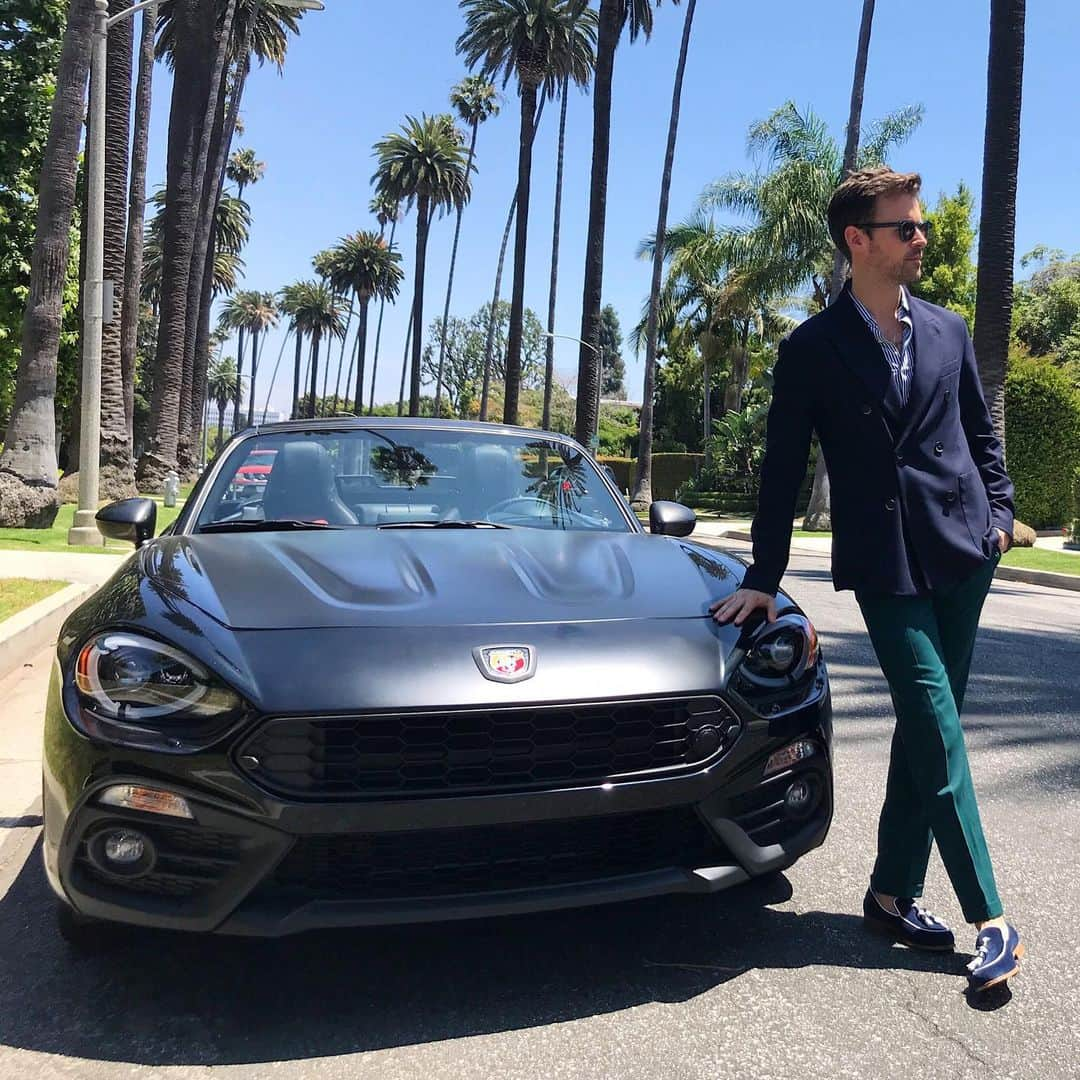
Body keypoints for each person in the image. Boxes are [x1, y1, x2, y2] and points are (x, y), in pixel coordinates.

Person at [710, 166, 1024, 993]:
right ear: (859, 240)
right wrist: (763, 575)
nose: (922, 239)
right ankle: (989, 914)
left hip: (965, 553)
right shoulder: (811, 349)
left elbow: (979, 436)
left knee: (929, 730)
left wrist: (999, 517)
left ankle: (890, 893)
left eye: (920, 227)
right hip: (886, 565)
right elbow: (782, 469)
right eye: (907, 228)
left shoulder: (949, 331)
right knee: (934, 721)